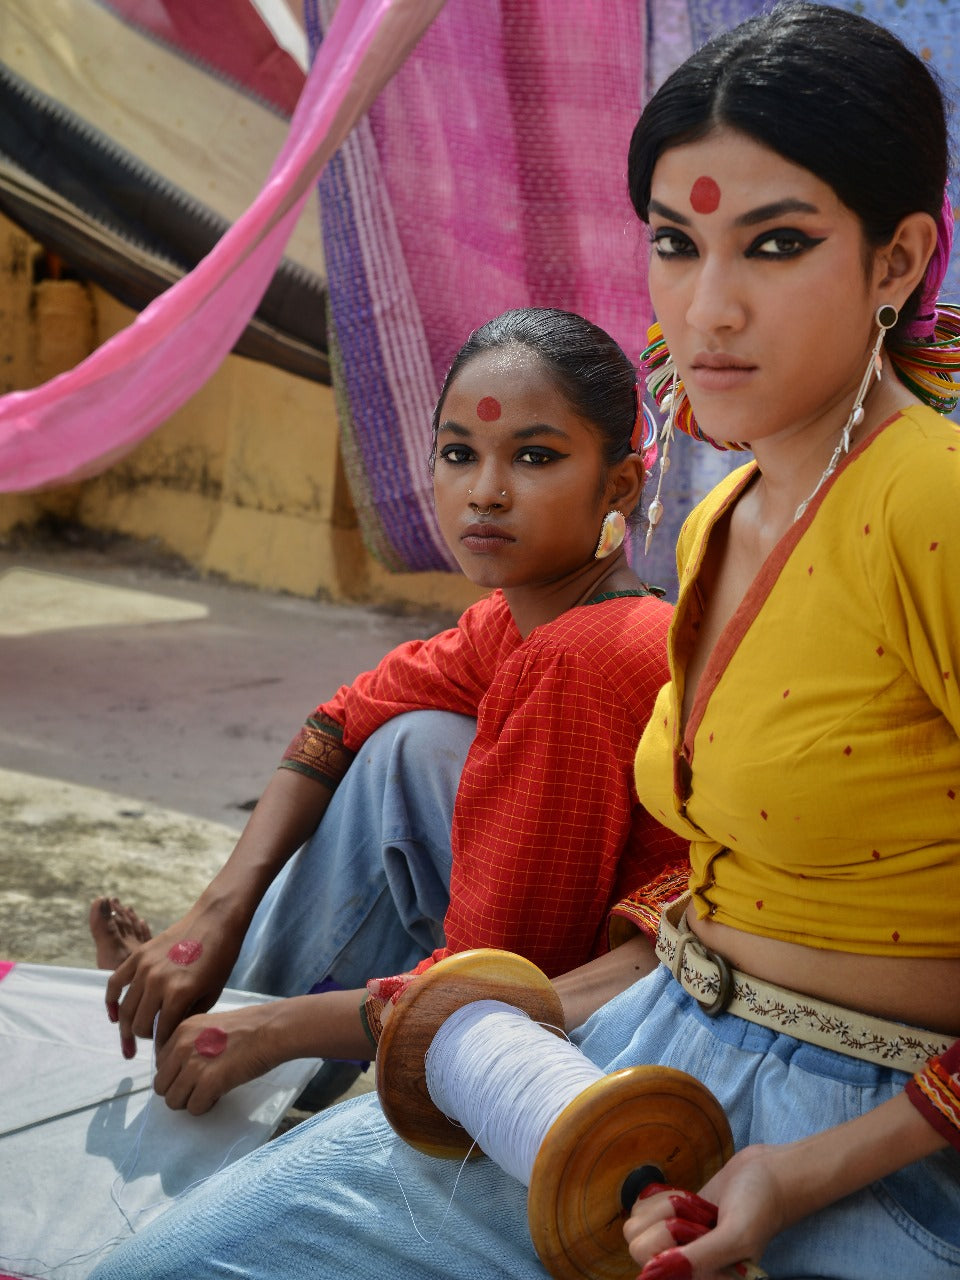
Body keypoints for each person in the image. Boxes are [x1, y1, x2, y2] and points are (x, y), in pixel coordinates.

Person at [86, 6, 960, 1278]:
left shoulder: (931, 501)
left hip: (870, 1140)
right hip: (643, 1064)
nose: (707, 306)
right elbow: (708, 928)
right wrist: (482, 1026)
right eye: (675, 242)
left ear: (898, 262)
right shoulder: (726, 515)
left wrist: (802, 1167)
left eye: (775, 245)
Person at [90, 305, 686, 1114]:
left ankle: (220, 1047)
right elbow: (339, 723)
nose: (485, 493)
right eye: (458, 454)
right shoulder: (519, 620)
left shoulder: (582, 656)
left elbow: (491, 980)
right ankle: (204, 993)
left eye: (535, 458)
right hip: (548, 966)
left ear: (619, 485)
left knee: (403, 777)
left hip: (632, 1019)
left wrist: (274, 1030)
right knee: (408, 744)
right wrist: (212, 915)